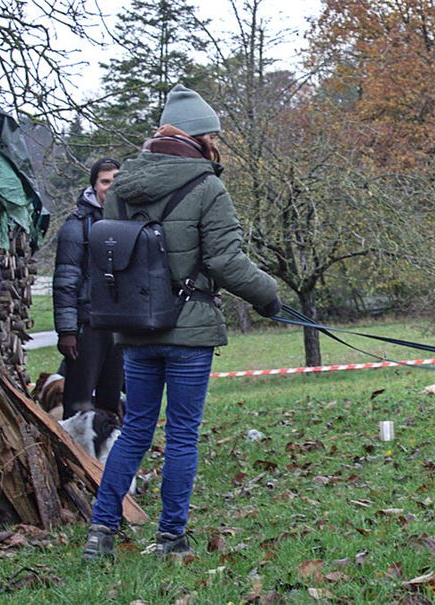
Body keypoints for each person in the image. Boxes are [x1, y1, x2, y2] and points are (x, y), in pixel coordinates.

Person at [82, 84, 282, 560]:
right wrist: (269, 297)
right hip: (188, 330)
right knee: (182, 434)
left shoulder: (121, 190)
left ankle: (100, 533)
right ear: (199, 138)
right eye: (212, 135)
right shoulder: (207, 186)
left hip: (136, 329)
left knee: (135, 431)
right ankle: (171, 537)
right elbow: (227, 262)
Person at [53, 157, 124, 418]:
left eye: (116, 180)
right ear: (94, 186)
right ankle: (72, 455)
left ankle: (106, 456)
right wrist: (67, 331)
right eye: (105, 181)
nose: (110, 186)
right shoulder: (76, 226)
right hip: (88, 325)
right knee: (79, 403)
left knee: (111, 401)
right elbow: (64, 283)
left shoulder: (130, 221)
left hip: (119, 326)